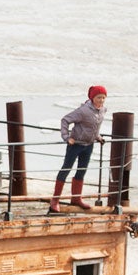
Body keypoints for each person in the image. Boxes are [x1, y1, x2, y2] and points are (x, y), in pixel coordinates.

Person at [49, 85, 107, 213]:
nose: (101, 100)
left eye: (103, 98)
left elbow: (94, 126)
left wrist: (97, 136)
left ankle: (76, 199)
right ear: (92, 98)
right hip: (75, 144)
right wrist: (66, 137)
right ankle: (55, 200)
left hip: (89, 145)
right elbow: (65, 120)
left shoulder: (103, 110)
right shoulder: (83, 110)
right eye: (99, 97)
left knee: (81, 171)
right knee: (66, 169)